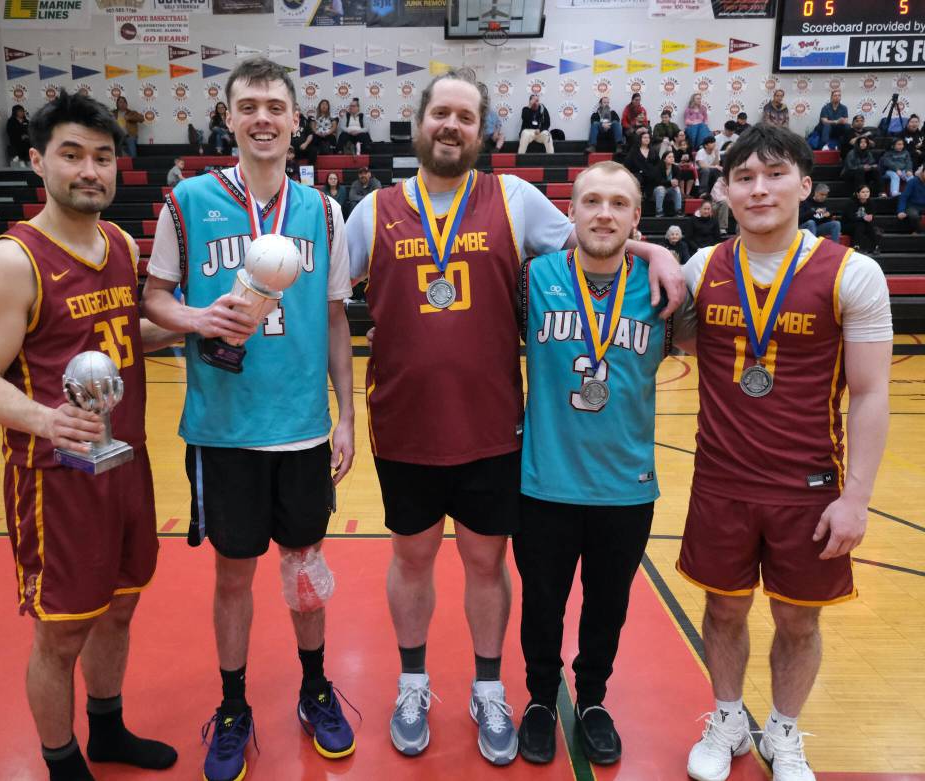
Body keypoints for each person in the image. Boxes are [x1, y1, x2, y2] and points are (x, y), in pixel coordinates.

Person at [345, 67, 685, 767]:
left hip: (494, 432)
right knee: (410, 558)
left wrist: (654, 248)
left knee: (486, 563)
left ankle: (490, 688)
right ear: (418, 123)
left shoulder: (517, 199)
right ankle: (413, 682)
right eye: (440, 112)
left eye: (466, 117)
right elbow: (323, 298)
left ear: (483, 131)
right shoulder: (371, 210)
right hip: (403, 427)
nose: (451, 126)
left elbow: (597, 241)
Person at [141, 57, 357, 781]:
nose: (262, 118)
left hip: (301, 427)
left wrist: (346, 417)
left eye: (275, 105)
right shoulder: (187, 201)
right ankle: (234, 704)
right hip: (223, 429)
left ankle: (315, 686)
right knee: (234, 575)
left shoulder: (324, 212)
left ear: (296, 121)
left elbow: (333, 321)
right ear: (228, 118)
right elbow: (155, 298)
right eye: (248, 106)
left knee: (304, 569)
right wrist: (197, 318)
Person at [0, 89, 179, 781]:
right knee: (61, 631)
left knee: (119, 608)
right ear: (37, 161)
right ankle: (61, 762)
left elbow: (119, 337)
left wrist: (191, 323)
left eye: (103, 157)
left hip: (127, 462)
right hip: (55, 477)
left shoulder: (117, 242)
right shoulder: (10, 259)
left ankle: (108, 730)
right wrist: (46, 419)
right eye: (72, 154)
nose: (91, 170)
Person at [680, 123, 892, 781]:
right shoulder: (702, 268)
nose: (759, 188)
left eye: (774, 174)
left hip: (809, 485)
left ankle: (785, 731)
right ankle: (727, 718)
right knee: (723, 608)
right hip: (720, 478)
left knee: (798, 621)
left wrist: (856, 497)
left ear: (805, 183)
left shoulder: (853, 273)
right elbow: (670, 339)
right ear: (726, 190)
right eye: (743, 177)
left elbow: (871, 393)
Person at [513, 162, 697, 767]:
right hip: (545, 482)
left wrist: (661, 256)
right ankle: (541, 700)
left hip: (626, 486)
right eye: (591, 201)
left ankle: (591, 700)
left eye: (619, 204)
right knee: (542, 604)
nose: (604, 214)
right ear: (571, 212)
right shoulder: (532, 278)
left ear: (636, 218)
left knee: (607, 607)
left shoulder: (661, 290)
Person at [841, 185, 882, 253]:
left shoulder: (871, 203)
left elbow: (872, 215)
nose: (866, 193)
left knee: (867, 225)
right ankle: (856, 246)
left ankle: (875, 246)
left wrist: (870, 217)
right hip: (848, 225)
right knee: (860, 224)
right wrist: (863, 218)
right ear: (858, 194)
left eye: (867, 192)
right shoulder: (851, 203)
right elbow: (851, 217)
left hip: (863, 224)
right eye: (863, 192)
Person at [623, 129, 657, 196]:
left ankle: (649, 196)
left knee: (653, 177)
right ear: (640, 139)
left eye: (648, 138)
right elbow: (628, 163)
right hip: (637, 172)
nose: (647, 139)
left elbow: (657, 163)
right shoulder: (635, 150)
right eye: (644, 137)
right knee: (637, 178)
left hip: (650, 173)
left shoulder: (653, 150)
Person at [651, 149, 683, 217]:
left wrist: (676, 182)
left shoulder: (676, 168)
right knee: (661, 189)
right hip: (657, 192)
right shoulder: (658, 168)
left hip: (669, 192)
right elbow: (657, 181)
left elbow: (678, 178)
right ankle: (659, 211)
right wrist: (670, 182)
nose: (672, 158)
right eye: (669, 157)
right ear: (664, 159)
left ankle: (678, 210)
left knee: (677, 188)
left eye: (673, 157)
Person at [896, 165, 925, 234]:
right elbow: (903, 197)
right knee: (914, 216)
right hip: (912, 206)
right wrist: (901, 211)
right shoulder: (912, 182)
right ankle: (920, 233)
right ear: (922, 172)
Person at [668, 128, 697, 197]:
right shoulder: (670, 147)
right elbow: (670, 160)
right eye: (681, 135)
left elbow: (691, 159)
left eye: (684, 135)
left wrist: (689, 163)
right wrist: (678, 164)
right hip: (675, 166)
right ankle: (682, 194)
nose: (683, 136)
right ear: (675, 138)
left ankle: (688, 194)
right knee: (680, 172)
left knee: (690, 173)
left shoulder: (688, 148)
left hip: (686, 166)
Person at [481, 84, 506, 151]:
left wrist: (496, 132)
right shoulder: (478, 113)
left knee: (502, 136)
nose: (486, 103)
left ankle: (496, 150)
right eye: (484, 101)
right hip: (482, 135)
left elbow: (498, 124)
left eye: (487, 101)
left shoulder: (492, 113)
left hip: (492, 135)